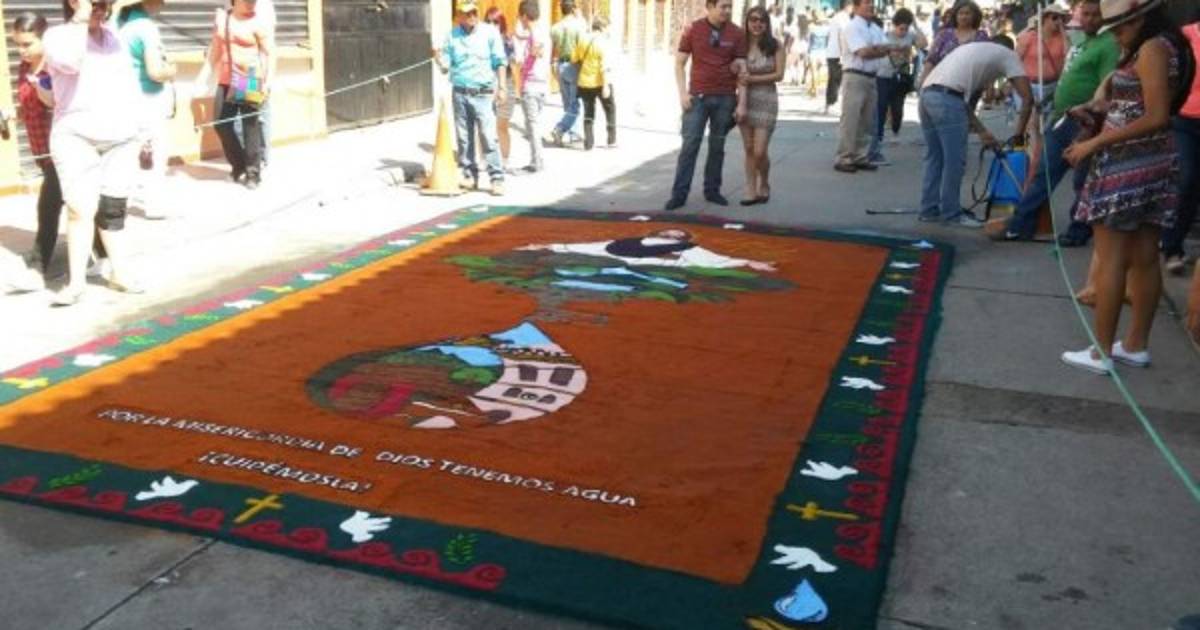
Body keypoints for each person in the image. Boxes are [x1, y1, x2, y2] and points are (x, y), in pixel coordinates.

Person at [1060, 0, 1193, 374]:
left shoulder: (1152, 48)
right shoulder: (1168, 46)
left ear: (1142, 18)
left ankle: (1101, 351)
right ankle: (1135, 345)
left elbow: (1156, 115)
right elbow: (1143, 107)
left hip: (1128, 163)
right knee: (1144, 256)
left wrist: (1094, 143)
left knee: (1112, 258)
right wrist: (1099, 111)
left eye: (1122, 26)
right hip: (1153, 160)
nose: (1117, 34)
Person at [43, 0, 145, 305]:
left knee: (114, 209)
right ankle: (76, 284)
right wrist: (81, 17)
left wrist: (142, 131)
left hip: (121, 136)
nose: (100, 8)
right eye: (94, 2)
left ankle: (120, 273)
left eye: (104, 3)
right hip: (76, 136)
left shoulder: (114, 39)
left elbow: (129, 87)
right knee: (80, 208)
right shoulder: (57, 36)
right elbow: (70, 61)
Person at [997, 0, 1119, 242]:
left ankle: (1078, 231)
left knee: (1082, 180)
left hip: (1086, 121)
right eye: (1086, 14)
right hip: (1060, 116)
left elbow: (1108, 89)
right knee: (1043, 173)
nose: (1089, 19)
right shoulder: (1081, 40)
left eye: (1095, 15)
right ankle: (1021, 224)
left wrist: (1091, 127)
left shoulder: (1107, 45)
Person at [919, 35, 1033, 227]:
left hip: (927, 95)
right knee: (954, 160)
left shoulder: (974, 50)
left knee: (935, 157)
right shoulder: (1008, 55)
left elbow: (965, 105)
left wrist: (982, 131)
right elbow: (1028, 99)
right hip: (948, 99)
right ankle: (951, 214)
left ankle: (928, 210)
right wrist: (1017, 138)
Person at [663, 0, 747, 211]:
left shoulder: (737, 33)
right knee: (690, 146)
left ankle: (712, 191)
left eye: (730, 6)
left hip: (725, 98)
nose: (727, 10)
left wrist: (741, 103)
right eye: (723, 6)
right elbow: (679, 63)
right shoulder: (693, 29)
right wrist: (682, 94)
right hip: (697, 98)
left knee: (717, 147)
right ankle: (679, 194)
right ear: (709, 7)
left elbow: (742, 71)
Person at [433, 1, 508, 195]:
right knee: (464, 138)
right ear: (459, 16)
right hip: (460, 93)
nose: (472, 16)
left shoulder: (489, 33)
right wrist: (438, 58)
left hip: (483, 93)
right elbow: (445, 67)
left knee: (488, 137)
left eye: (474, 12)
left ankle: (497, 178)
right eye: (467, 14)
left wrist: (502, 87)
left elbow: (500, 61)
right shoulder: (452, 36)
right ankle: (469, 175)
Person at [196, 0, 273, 189]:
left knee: (250, 127)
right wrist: (202, 77)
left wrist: (268, 82)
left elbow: (270, 53)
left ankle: (253, 173)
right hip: (227, 79)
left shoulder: (258, 22)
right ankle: (239, 165)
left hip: (249, 79)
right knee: (221, 124)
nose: (252, 3)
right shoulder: (222, 20)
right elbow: (215, 50)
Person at [115, 0, 175, 220]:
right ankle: (154, 204)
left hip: (124, 96)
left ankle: (121, 200)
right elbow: (155, 72)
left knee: (129, 150)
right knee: (155, 151)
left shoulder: (118, 23)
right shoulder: (146, 27)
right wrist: (171, 70)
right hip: (149, 97)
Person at [1161, 18, 1200, 274]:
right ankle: (1172, 247)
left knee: (1194, 187)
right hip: (1184, 120)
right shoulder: (1184, 35)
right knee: (1186, 180)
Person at [833, 0, 889, 174]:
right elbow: (862, 52)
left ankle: (860, 156)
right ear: (856, 7)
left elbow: (887, 48)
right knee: (851, 119)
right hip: (855, 75)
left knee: (866, 120)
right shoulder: (852, 27)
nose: (871, 5)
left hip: (871, 77)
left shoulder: (875, 28)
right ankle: (844, 157)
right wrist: (876, 50)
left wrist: (874, 49)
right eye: (866, 2)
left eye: (872, 2)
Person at [737, 5, 784, 205]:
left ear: (767, 24)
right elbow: (735, 71)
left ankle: (764, 181)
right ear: (747, 22)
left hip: (767, 100)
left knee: (759, 151)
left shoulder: (775, 45)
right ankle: (750, 188)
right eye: (753, 20)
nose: (757, 24)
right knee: (749, 148)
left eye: (761, 20)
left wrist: (752, 79)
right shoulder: (740, 45)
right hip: (745, 99)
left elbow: (779, 75)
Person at [868, 8, 927, 165]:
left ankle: (895, 130)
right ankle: (877, 143)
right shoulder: (885, 35)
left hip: (899, 77)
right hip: (882, 75)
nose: (903, 32)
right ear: (894, 25)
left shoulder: (911, 35)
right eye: (901, 28)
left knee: (897, 108)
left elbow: (923, 44)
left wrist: (915, 25)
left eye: (906, 28)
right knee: (880, 109)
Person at [1014, 3, 1070, 130]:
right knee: (1030, 124)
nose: (1059, 21)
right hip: (1029, 85)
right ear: (1045, 18)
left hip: (1052, 86)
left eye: (1062, 18)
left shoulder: (1063, 38)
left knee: (1046, 125)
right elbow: (1015, 60)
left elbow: (1069, 57)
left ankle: (1037, 142)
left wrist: (1063, 32)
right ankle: (1024, 140)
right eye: (1054, 17)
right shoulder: (1029, 37)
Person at [513, 0, 549, 173]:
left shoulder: (535, 33)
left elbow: (535, 52)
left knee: (532, 125)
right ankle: (537, 159)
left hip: (531, 83)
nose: (520, 20)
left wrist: (523, 69)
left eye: (520, 16)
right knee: (534, 124)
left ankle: (537, 161)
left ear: (525, 16)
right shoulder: (542, 31)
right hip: (542, 84)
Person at [920, 0, 989, 86]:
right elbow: (931, 60)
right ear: (955, 16)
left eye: (967, 13)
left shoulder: (981, 37)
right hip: (941, 83)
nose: (964, 16)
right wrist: (923, 81)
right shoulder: (944, 34)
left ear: (975, 16)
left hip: (968, 85)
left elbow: (986, 63)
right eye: (960, 13)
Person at [547, 0, 587, 147]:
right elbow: (582, 46)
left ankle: (573, 133)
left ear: (561, 9)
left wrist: (552, 64)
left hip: (560, 64)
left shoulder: (555, 28)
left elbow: (554, 48)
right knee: (575, 104)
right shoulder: (578, 26)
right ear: (573, 9)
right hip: (573, 65)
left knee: (567, 103)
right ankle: (561, 128)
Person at [574, 16, 616, 150]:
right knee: (610, 109)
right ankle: (611, 140)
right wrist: (606, 85)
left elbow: (575, 58)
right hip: (600, 81)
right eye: (608, 28)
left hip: (584, 82)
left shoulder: (582, 39)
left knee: (588, 112)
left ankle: (588, 143)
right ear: (602, 27)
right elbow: (605, 66)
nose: (609, 31)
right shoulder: (603, 42)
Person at [483, 8, 516, 167]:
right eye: (488, 21)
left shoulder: (507, 41)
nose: (492, 25)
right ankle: (484, 159)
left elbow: (513, 66)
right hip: (486, 84)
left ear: (501, 23)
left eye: (495, 22)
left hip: (505, 84)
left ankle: (504, 159)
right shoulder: (479, 41)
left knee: (501, 125)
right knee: (483, 125)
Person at [824, 1, 852, 113]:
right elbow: (842, 36)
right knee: (838, 80)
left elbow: (829, 35)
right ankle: (833, 103)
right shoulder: (844, 18)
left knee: (833, 79)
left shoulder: (835, 17)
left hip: (831, 52)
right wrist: (842, 54)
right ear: (848, 6)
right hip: (838, 53)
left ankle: (829, 103)